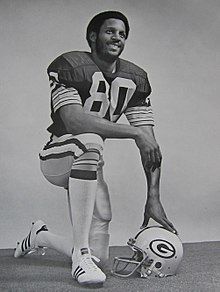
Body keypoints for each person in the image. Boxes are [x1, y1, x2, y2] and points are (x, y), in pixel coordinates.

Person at [14, 11, 177, 286]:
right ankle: (80, 255)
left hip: (89, 162)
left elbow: (150, 144)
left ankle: (40, 236)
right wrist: (134, 132)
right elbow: (74, 120)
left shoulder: (134, 78)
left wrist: (153, 197)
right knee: (91, 140)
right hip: (58, 155)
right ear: (93, 36)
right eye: (110, 31)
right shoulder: (71, 66)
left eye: (122, 34)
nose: (117, 38)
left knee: (99, 254)